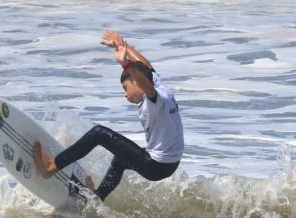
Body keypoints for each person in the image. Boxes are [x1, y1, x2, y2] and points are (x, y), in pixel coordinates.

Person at [33, 30, 184, 201]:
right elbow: (145, 65)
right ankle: (97, 199)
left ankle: (51, 167)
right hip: (170, 163)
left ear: (137, 82)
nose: (125, 95)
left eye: (126, 88)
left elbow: (144, 83)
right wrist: (123, 47)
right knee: (120, 160)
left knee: (99, 133)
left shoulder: (155, 99)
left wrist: (126, 65)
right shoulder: (160, 86)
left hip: (156, 165)